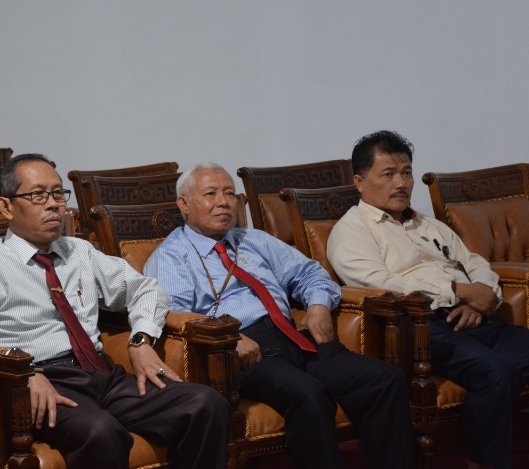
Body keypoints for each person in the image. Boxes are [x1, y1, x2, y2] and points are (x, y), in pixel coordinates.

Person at [0, 153, 231, 469]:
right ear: (6, 206)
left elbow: (145, 288)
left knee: (207, 404)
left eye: (58, 194)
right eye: (38, 195)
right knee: (101, 433)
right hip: (38, 381)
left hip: (101, 375)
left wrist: (140, 340)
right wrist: (24, 373)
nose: (53, 204)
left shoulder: (79, 251)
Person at [144, 162, 415, 469]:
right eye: (211, 194)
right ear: (184, 204)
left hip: (294, 338)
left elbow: (310, 273)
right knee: (308, 395)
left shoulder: (253, 240)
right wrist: (227, 336)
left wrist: (317, 305)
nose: (223, 202)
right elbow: (173, 315)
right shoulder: (172, 255)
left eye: (229, 193)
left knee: (384, 379)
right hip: (241, 353)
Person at [328, 130, 529, 469]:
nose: (401, 183)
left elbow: (475, 264)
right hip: (421, 328)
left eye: (406, 172)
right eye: (388, 174)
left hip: (472, 318)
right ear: (360, 182)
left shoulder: (427, 224)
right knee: (496, 373)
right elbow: (381, 286)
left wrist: (481, 299)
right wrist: (457, 291)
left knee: (506, 366)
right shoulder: (352, 230)